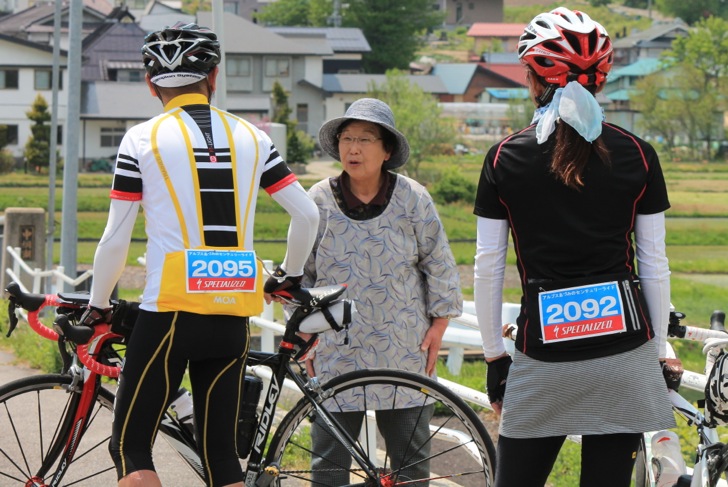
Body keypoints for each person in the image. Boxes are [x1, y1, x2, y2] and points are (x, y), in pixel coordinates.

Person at [79, 22, 319, 487]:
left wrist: (98, 303)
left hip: (169, 311)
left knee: (130, 448)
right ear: (214, 77)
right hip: (233, 309)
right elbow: (307, 215)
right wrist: (286, 278)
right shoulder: (254, 137)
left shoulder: (141, 140)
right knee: (222, 459)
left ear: (151, 85)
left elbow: (114, 238)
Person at [473, 8, 682, 487]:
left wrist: (493, 357)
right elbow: (653, 264)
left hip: (539, 355)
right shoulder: (638, 153)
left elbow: (488, 267)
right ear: (601, 79)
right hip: (625, 354)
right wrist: (657, 350)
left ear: (533, 76)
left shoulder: (506, 157)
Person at [301, 98, 463, 485]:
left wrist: (438, 328)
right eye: (346, 138)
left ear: (387, 149)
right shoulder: (318, 200)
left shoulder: (414, 199)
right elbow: (303, 276)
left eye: (365, 139)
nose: (353, 149)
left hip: (404, 346)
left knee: (410, 463)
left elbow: (438, 264)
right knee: (329, 463)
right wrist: (306, 334)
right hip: (337, 347)